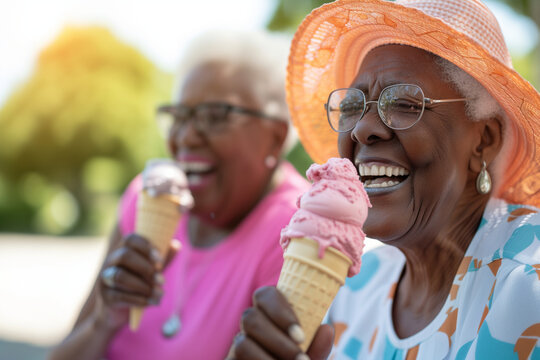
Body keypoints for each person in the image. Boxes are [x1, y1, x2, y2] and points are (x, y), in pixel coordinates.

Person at [230, 0, 540, 359]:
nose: (362, 129)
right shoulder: (353, 288)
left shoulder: (528, 282)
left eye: (405, 104)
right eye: (351, 107)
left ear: (484, 140)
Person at [48, 30, 309, 360]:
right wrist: (105, 320)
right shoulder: (147, 194)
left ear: (275, 136)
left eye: (215, 115)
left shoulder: (298, 228)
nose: (185, 137)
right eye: (179, 117)